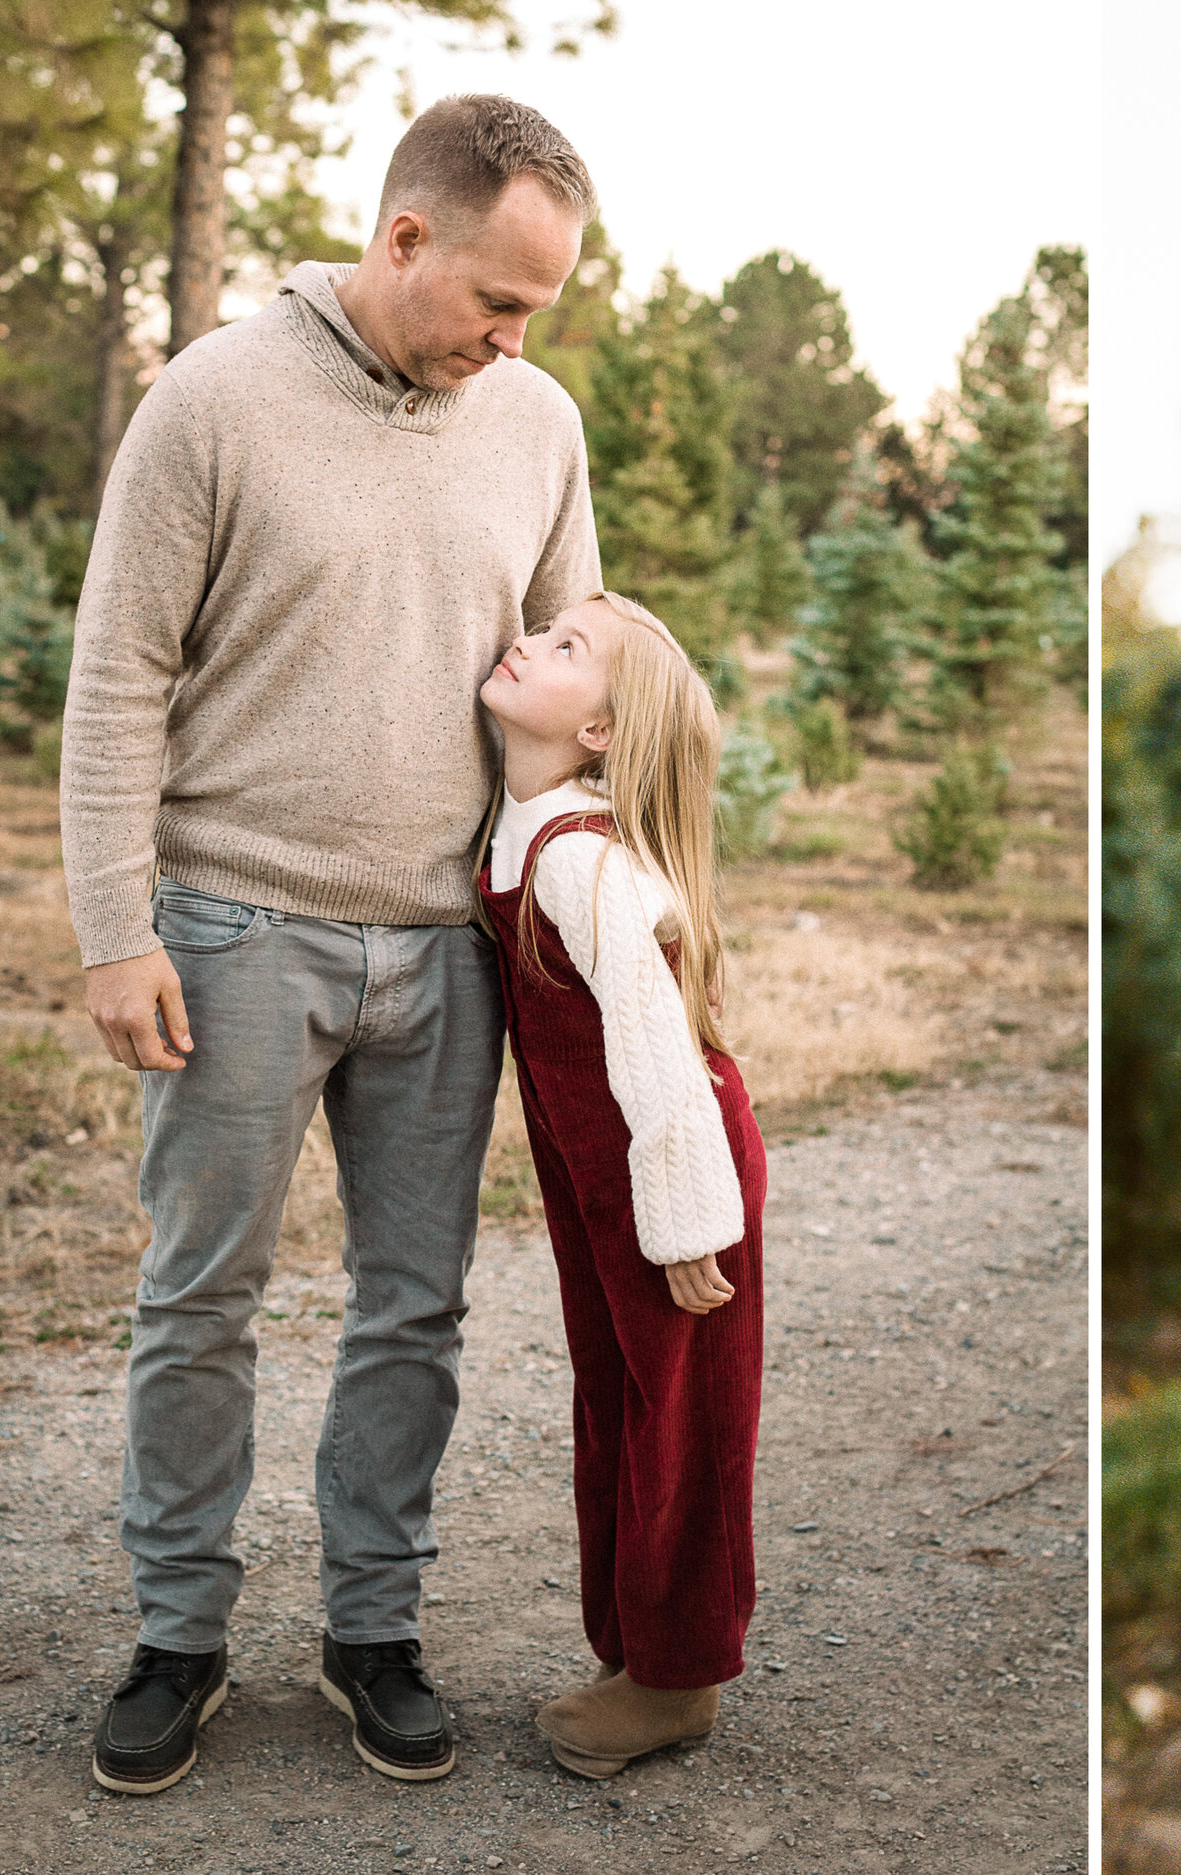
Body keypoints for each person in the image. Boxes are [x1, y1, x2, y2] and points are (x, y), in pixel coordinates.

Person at [63, 96, 601, 1796]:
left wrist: (595, 913)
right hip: (230, 931)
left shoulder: (537, 423)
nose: (511, 342)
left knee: (414, 1308)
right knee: (198, 1294)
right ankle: (179, 1639)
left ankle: (374, 1630)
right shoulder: (213, 399)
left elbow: (582, 677)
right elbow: (116, 678)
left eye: (540, 314)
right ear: (405, 239)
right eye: (495, 301)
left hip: (448, 949)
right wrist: (112, 928)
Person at [474, 591, 764, 1778]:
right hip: (603, 1183)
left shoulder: (579, 864)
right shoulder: (528, 816)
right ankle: (632, 1646)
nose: (529, 639)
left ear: (597, 731)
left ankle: (677, 1680)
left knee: (682, 1422)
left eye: (565, 647)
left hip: (672, 1169)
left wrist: (688, 1223)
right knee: (618, 1400)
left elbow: (651, 1042)